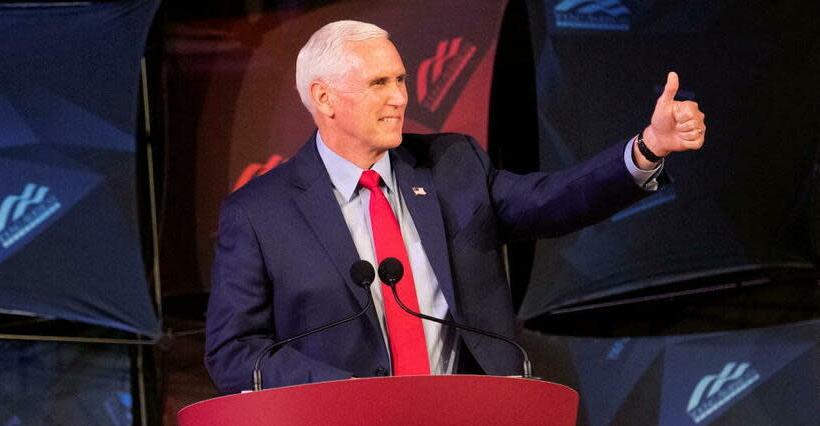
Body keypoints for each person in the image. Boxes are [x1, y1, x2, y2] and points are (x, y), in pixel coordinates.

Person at [204, 20, 706, 394]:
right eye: (380, 84)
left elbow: (553, 201)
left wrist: (646, 149)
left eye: (400, 79)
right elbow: (234, 352)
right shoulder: (259, 214)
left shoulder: (451, 165)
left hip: (470, 410)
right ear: (325, 98)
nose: (401, 97)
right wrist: (346, 390)